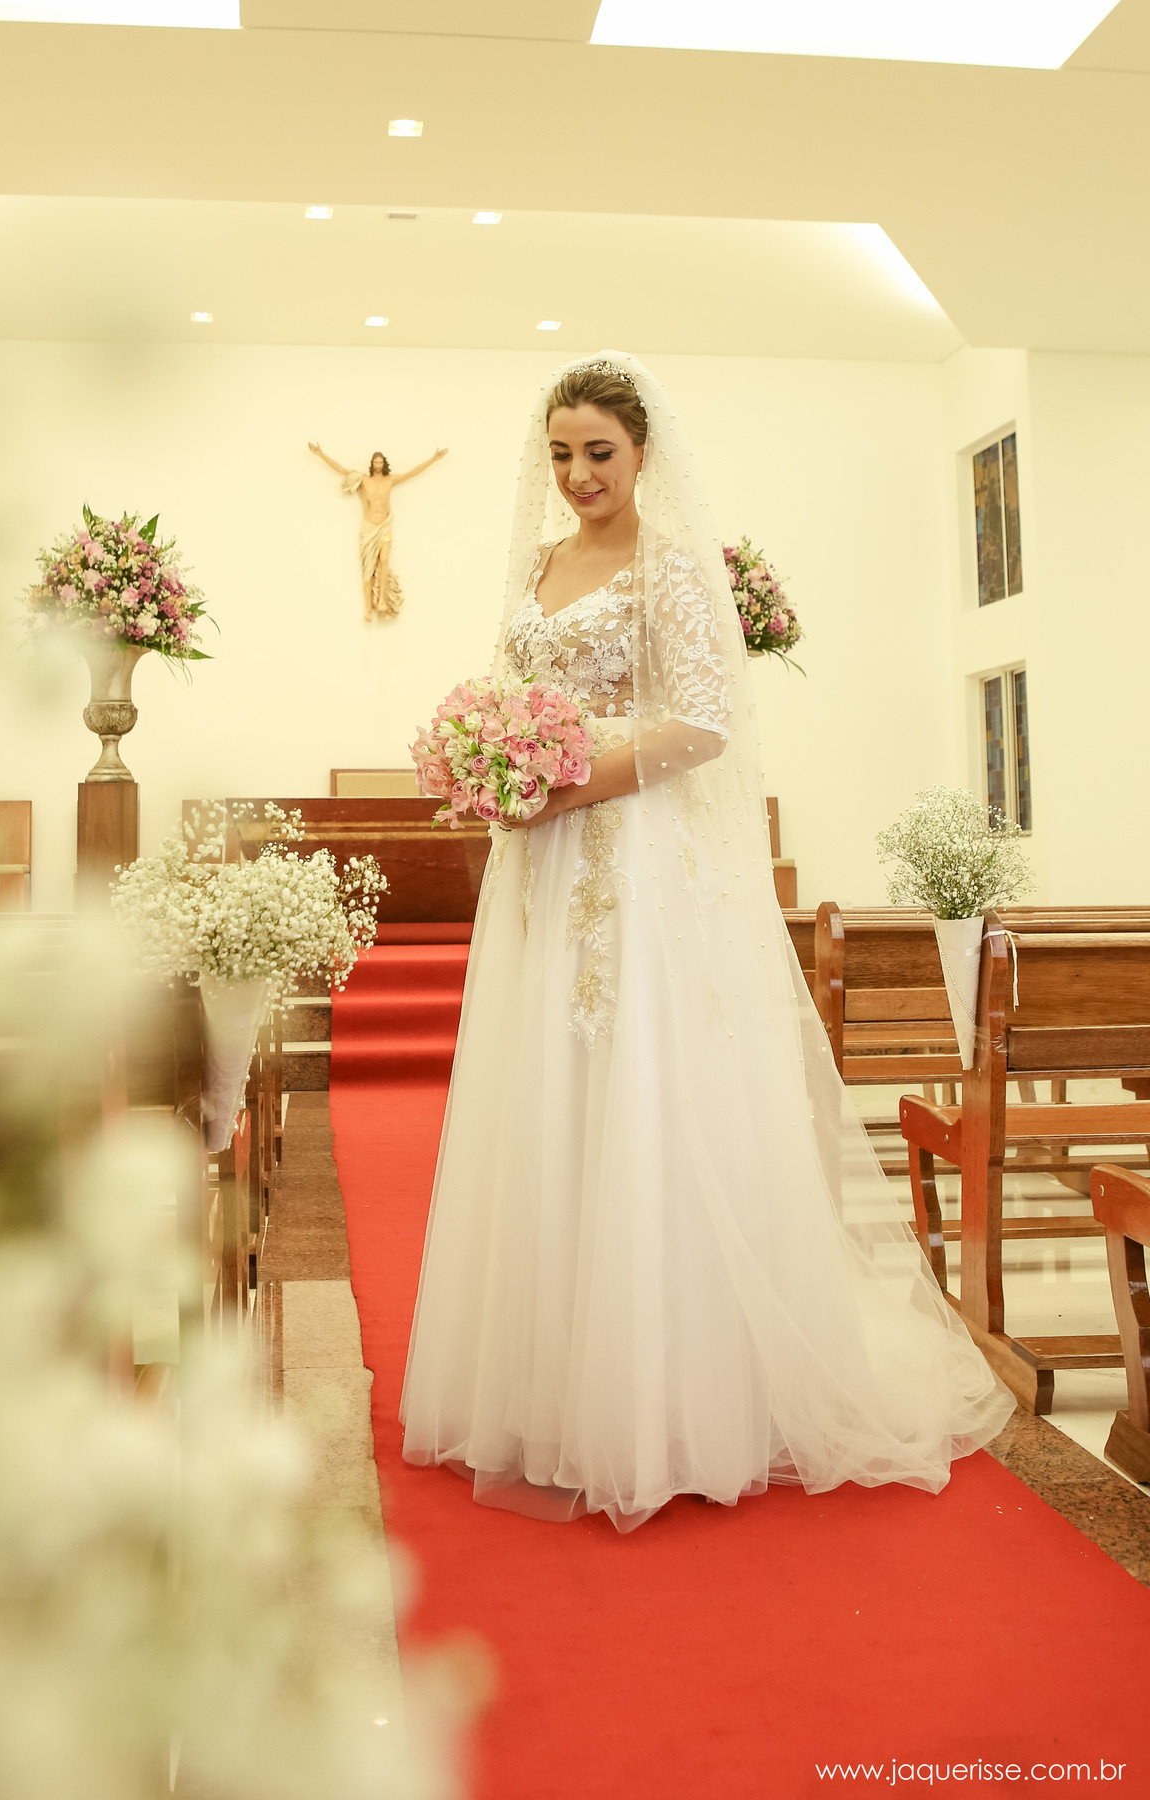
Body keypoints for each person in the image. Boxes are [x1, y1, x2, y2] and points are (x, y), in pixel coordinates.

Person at [400, 352, 1013, 1532]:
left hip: (634, 866)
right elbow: (510, 685)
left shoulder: (671, 571)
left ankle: (673, 1401)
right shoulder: (534, 565)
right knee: (552, 1094)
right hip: (541, 866)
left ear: (641, 455)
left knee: (646, 1091)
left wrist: (570, 783)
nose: (579, 472)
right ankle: (548, 1390)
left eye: (601, 452)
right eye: (563, 451)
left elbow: (705, 725)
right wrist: (493, 756)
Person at [308, 442, 447, 620]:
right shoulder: (364, 480)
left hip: (384, 527)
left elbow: (412, 472)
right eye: (376, 462)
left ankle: (381, 600)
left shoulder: (390, 480)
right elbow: (341, 469)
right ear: (372, 464)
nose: (378, 465)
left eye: (381, 462)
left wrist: (433, 459)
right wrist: (321, 454)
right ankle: (368, 607)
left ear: (384, 464)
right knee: (368, 567)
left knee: (384, 560)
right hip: (368, 529)